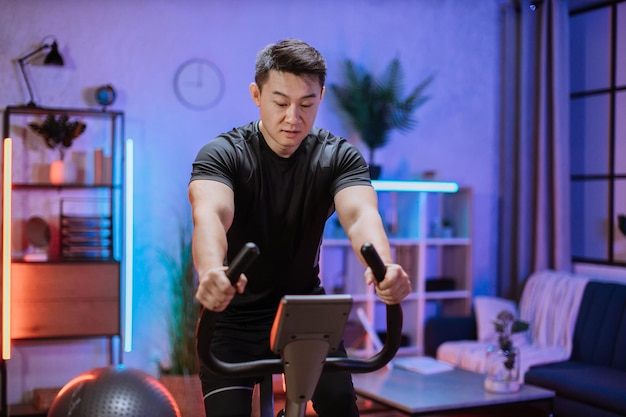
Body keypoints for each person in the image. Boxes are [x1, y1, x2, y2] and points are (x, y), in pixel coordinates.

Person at [188, 38, 411, 417]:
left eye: (307, 104)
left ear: (321, 96)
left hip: (304, 312)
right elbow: (210, 214)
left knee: (340, 407)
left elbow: (360, 215)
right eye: (280, 103)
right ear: (256, 94)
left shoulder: (337, 156)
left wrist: (384, 269)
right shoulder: (223, 153)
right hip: (233, 315)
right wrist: (211, 271)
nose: (293, 117)